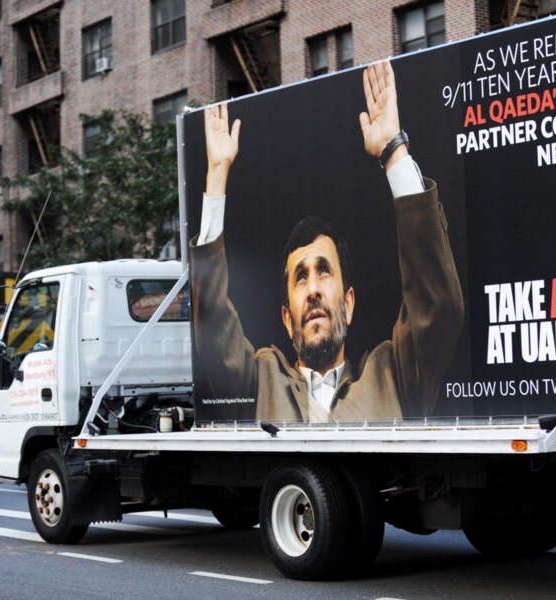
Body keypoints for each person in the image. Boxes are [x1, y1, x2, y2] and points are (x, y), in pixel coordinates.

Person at [190, 60, 464, 423]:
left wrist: (393, 152)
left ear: (349, 304)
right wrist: (216, 174)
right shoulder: (257, 382)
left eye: (324, 271)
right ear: (286, 318)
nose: (313, 289)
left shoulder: (394, 375)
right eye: (300, 277)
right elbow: (210, 321)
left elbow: (438, 304)